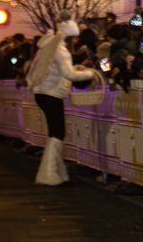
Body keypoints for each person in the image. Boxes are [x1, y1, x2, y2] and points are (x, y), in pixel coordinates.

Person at [26, 14, 98, 186]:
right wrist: (91, 73)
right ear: (71, 37)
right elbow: (68, 74)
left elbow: (60, 70)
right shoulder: (61, 50)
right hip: (52, 94)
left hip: (43, 92)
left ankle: (56, 173)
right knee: (57, 133)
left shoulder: (50, 46)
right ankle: (49, 174)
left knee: (55, 132)